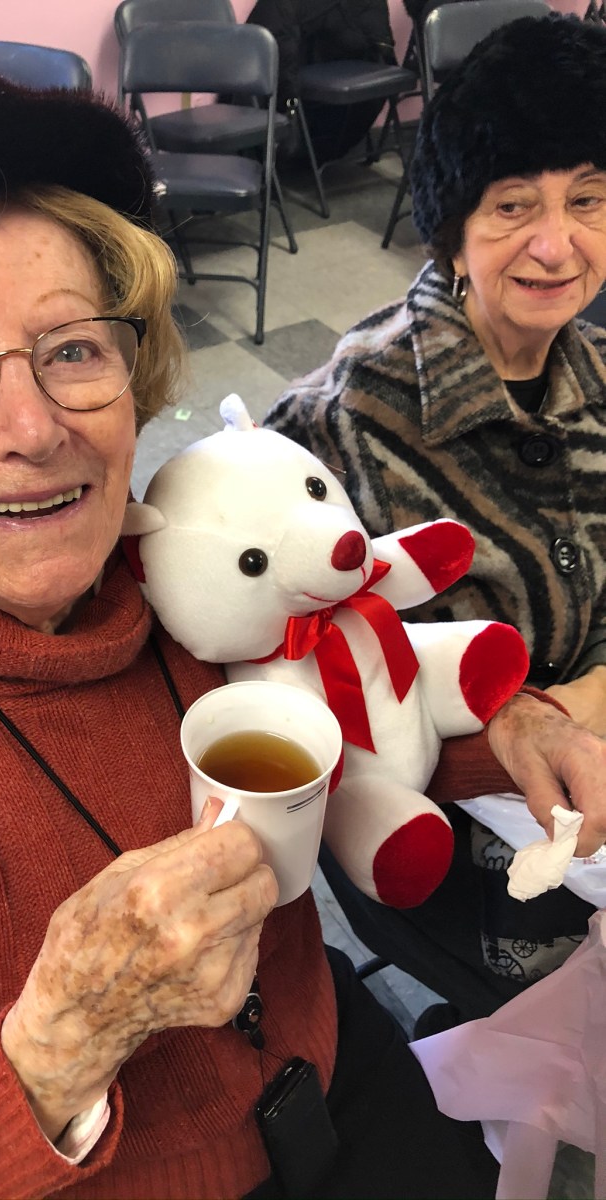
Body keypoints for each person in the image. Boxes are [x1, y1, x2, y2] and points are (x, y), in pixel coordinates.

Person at [0, 67, 596, 1200]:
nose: (34, 429)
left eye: (73, 348)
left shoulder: (180, 567)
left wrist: (509, 731)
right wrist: (61, 1040)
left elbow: (349, 708)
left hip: (333, 1075)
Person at [266, 12, 606, 1027]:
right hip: (446, 825)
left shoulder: (595, 372)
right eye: (512, 206)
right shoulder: (346, 419)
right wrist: (544, 720)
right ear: (451, 226)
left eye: (587, 199)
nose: (555, 244)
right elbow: (320, 690)